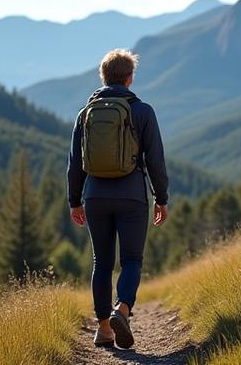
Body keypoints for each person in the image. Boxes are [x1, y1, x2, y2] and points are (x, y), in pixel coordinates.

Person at [67, 48, 169, 349]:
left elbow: (75, 163)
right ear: (130, 78)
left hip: (96, 196)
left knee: (101, 262)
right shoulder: (143, 111)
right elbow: (156, 161)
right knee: (132, 260)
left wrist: (75, 200)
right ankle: (121, 310)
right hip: (133, 196)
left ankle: (104, 330)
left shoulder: (86, 113)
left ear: (103, 76)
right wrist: (161, 198)